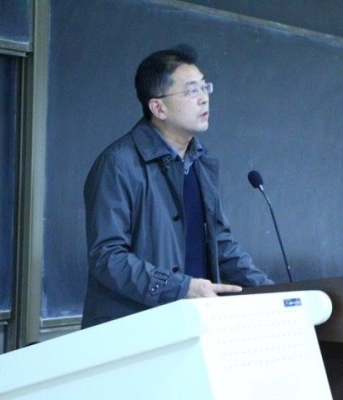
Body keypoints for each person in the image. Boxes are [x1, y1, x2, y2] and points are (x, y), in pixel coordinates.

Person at [81, 44, 273, 329]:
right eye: (191, 91)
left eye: (205, 87)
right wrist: (180, 288)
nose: (204, 98)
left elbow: (221, 245)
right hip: (134, 329)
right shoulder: (119, 164)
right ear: (158, 107)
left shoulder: (200, 163)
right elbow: (107, 258)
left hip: (192, 323)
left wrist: (273, 291)